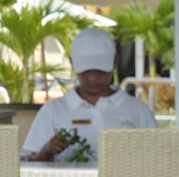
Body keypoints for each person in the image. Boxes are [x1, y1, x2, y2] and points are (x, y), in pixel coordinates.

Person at [23, 27, 154, 162]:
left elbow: (155, 157)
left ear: (115, 62)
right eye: (85, 71)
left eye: (100, 71)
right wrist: (47, 150)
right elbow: (31, 165)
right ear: (72, 63)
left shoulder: (138, 111)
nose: (92, 78)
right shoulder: (53, 111)